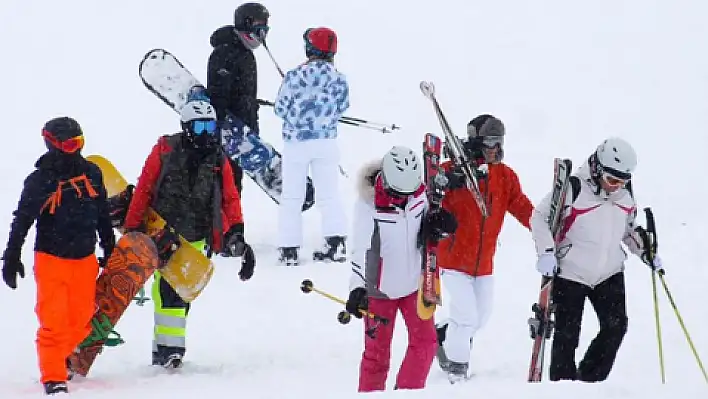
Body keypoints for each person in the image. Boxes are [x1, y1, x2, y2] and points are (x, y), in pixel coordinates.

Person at [121, 100, 255, 369]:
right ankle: (171, 351)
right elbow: (145, 187)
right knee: (168, 292)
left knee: (180, 293)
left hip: (198, 235)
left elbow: (230, 198)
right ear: (186, 126)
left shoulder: (217, 158)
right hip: (163, 232)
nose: (206, 133)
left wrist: (237, 232)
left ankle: (162, 349)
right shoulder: (166, 150)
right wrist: (133, 227)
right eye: (199, 126)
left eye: (210, 126)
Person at [530, 137, 663, 382]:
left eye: (623, 181)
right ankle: (562, 386)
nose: (616, 187)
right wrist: (546, 252)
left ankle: (590, 382)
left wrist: (646, 252)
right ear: (597, 169)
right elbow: (538, 217)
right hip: (572, 272)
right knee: (567, 335)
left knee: (615, 328)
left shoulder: (625, 195)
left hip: (609, 272)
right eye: (612, 180)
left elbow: (628, 230)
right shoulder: (573, 188)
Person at [1, 117, 115, 395]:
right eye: (68, 145)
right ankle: (53, 377)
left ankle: (62, 356)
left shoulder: (92, 173)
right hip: (51, 259)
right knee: (52, 322)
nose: (74, 150)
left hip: (85, 259)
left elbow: (102, 212)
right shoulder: (40, 180)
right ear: (52, 145)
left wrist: (109, 245)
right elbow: (23, 219)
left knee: (81, 319)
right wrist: (12, 255)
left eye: (79, 143)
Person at [346, 146, 458, 392]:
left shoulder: (418, 194)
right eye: (398, 193)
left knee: (426, 344)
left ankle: (407, 393)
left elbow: (428, 225)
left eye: (409, 193)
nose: (403, 199)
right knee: (377, 357)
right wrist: (357, 289)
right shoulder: (368, 207)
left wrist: (440, 225)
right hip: (379, 293)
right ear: (385, 181)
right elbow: (359, 250)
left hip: (414, 287)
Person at [434, 114, 534, 381]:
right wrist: (445, 183)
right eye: (491, 142)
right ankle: (456, 369)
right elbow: (428, 197)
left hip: (484, 262)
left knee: (480, 317)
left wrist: (544, 229)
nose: (496, 148)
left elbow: (522, 207)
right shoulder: (453, 170)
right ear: (477, 143)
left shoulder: (505, 176)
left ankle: (443, 334)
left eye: (499, 142)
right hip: (452, 258)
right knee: (466, 317)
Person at [273, 26, 350, 266]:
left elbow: (279, 109)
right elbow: (343, 106)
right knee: (328, 195)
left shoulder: (294, 76)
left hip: (296, 144)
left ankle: (289, 249)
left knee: (292, 197)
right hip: (325, 143)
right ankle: (336, 242)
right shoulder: (338, 79)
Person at [207, 2, 270, 194]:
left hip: (240, 136)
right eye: (259, 28)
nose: (262, 35)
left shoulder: (245, 54)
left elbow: (244, 95)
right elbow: (218, 95)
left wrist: (252, 128)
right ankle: (220, 224)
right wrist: (217, 136)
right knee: (222, 190)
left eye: (266, 29)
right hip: (224, 138)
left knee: (233, 189)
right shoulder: (225, 53)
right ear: (246, 23)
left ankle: (232, 224)